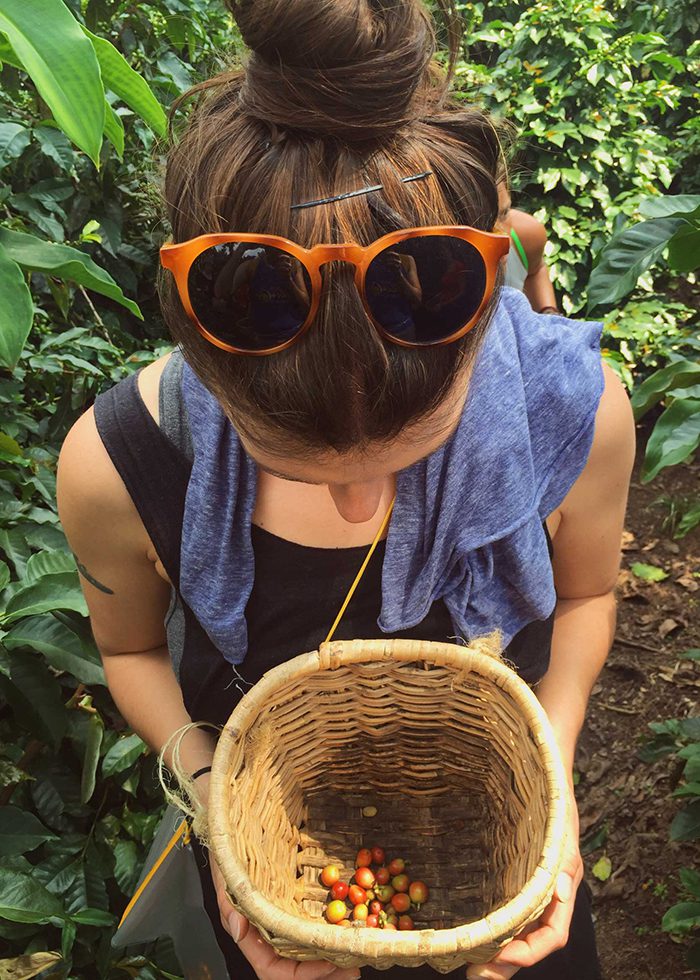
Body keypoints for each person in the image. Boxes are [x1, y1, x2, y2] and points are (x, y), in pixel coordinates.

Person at [56, 1, 635, 978]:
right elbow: (130, 651)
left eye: (417, 453)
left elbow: (585, 594)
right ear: (206, 362)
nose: (367, 510)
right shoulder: (119, 467)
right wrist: (215, 800)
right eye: (291, 463)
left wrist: (554, 759)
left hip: (503, 869)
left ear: (482, 326)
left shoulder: (573, 417)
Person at [497, 184, 559, 316]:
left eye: (503, 213)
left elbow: (535, 270)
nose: (503, 238)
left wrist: (548, 313)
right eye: (481, 222)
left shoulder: (526, 234)